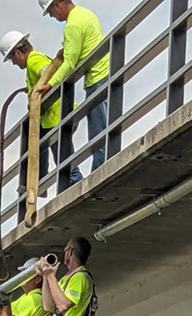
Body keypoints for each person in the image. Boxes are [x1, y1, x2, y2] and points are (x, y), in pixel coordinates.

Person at [35, 0, 111, 183]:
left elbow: (69, 63)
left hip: (97, 79)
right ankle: (99, 173)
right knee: (102, 130)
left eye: (51, 12)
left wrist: (50, 85)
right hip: (104, 74)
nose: (53, 16)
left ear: (57, 4)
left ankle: (100, 178)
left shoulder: (73, 25)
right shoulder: (85, 14)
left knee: (98, 133)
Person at [0, 30, 83, 185]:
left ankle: (73, 188)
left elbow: (49, 74)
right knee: (50, 153)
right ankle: (39, 181)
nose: (13, 62)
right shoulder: (33, 63)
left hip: (56, 118)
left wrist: (39, 96)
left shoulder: (33, 60)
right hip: (53, 119)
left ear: (17, 52)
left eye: (11, 58)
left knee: (67, 166)